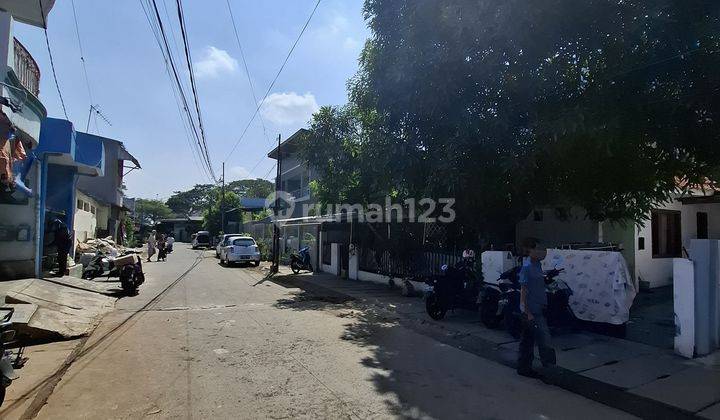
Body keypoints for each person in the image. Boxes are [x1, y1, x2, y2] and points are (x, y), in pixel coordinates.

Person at [517, 237, 556, 378]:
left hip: (538, 307)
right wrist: (527, 312)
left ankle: (523, 367)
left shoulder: (537, 265)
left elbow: (539, 284)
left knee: (527, 340)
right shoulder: (527, 267)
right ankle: (550, 369)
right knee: (544, 338)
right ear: (529, 250)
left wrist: (549, 277)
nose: (540, 252)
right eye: (537, 249)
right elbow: (523, 291)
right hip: (532, 310)